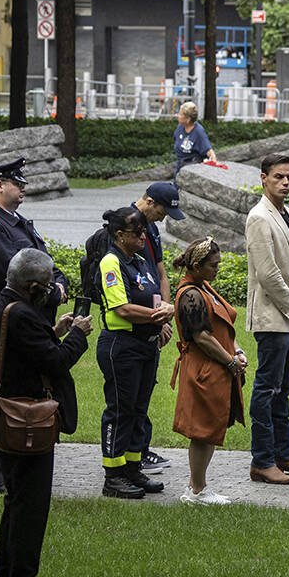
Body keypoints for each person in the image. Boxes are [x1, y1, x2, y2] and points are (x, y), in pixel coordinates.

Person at [0, 248, 91, 577]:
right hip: (29, 422)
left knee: (15, 504)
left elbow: (28, 352)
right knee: (30, 509)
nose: (52, 290)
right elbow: (56, 361)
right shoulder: (24, 315)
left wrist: (53, 330)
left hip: (7, 419)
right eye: (47, 285)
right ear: (31, 286)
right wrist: (76, 335)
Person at [0, 158, 68, 492]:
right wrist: (54, 293)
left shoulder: (17, 221)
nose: (22, 187)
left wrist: (57, 283)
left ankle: (18, 465)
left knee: (21, 394)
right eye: (16, 182)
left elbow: (44, 262)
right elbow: (14, 275)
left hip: (24, 324)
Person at [244, 153, 289, 484]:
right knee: (266, 389)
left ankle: (282, 454)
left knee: (283, 389)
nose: (285, 182)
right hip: (273, 318)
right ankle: (262, 460)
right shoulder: (259, 217)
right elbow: (268, 272)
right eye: (278, 177)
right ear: (263, 178)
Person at [95, 206, 175, 498]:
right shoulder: (111, 263)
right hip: (121, 345)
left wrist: (162, 315)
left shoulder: (139, 261)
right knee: (120, 409)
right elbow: (122, 308)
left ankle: (132, 467)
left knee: (139, 410)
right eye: (137, 232)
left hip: (146, 345)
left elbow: (152, 296)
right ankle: (113, 475)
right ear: (119, 235)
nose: (144, 236)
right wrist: (164, 314)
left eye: (144, 230)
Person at [170, 237, 246, 505]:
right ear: (198, 265)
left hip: (217, 366)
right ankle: (198, 491)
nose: (217, 269)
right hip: (204, 370)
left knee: (211, 428)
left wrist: (236, 350)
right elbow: (201, 336)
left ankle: (195, 486)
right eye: (213, 265)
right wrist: (229, 361)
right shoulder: (191, 294)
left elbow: (223, 327)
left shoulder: (204, 287)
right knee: (202, 432)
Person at [130, 181, 187, 475]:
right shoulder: (125, 225)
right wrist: (156, 316)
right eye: (162, 212)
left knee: (145, 391)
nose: (163, 219)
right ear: (149, 202)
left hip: (154, 319)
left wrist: (165, 314)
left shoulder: (150, 229)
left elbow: (161, 273)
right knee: (129, 397)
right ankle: (130, 456)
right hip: (133, 328)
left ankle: (141, 449)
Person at [173, 101, 217, 181]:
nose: (177, 116)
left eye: (180, 114)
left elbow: (208, 151)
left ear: (188, 119)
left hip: (192, 169)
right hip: (180, 167)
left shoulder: (198, 131)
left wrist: (214, 162)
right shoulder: (180, 128)